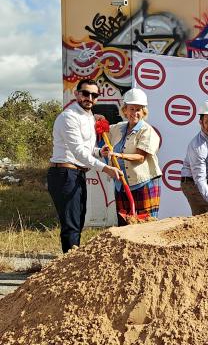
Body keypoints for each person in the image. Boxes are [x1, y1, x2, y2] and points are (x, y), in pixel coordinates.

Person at [47, 79, 122, 253]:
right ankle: (69, 268)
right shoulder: (69, 117)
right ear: (76, 94)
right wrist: (106, 168)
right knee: (71, 225)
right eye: (85, 93)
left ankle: (71, 263)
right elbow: (78, 152)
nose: (89, 98)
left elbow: (86, 150)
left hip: (76, 173)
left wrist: (98, 152)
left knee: (78, 221)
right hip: (64, 173)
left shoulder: (88, 116)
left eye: (94, 95)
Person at [100, 88, 162, 225]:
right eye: (131, 109)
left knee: (146, 225)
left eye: (138, 110)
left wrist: (118, 155)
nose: (135, 113)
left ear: (143, 112)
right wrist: (99, 123)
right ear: (125, 110)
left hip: (143, 183)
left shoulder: (147, 131)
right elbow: (102, 136)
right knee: (124, 224)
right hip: (121, 184)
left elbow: (140, 157)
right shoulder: (118, 128)